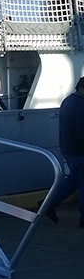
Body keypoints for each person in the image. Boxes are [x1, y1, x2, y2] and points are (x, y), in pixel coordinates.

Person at [42, 76, 84, 226]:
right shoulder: (80, 106)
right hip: (79, 151)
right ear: (81, 90)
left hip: (69, 148)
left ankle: (48, 204)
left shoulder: (68, 101)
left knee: (74, 179)